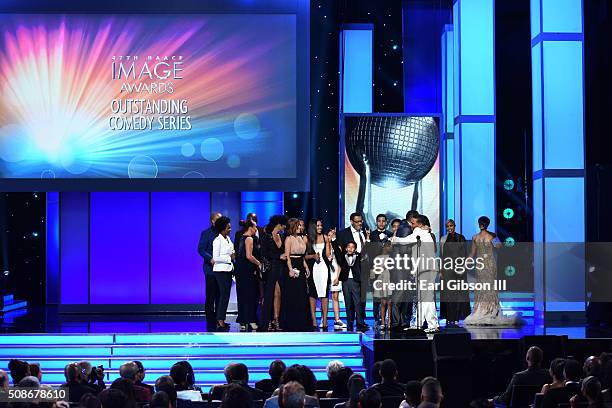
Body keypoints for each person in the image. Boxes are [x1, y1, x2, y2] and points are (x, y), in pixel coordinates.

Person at [464, 216, 523, 326]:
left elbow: (499, 246)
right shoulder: (475, 237)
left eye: (483, 223)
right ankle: (482, 310)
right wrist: (466, 262)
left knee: (490, 287)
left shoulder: (492, 235)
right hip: (481, 265)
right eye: (480, 222)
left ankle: (492, 310)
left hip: (490, 264)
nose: (481, 224)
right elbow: (472, 253)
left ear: (486, 224)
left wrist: (494, 239)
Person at [393, 215, 439, 333]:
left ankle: (431, 324)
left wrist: (394, 239)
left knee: (426, 297)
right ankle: (420, 323)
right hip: (425, 269)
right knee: (423, 297)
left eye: (413, 223)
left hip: (426, 269)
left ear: (419, 224)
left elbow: (404, 241)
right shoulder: (424, 233)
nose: (411, 226)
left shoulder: (419, 232)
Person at [336, 213, 370, 330]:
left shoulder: (365, 232)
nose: (360, 223)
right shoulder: (343, 234)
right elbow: (339, 253)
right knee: (350, 300)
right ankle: (351, 322)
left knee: (361, 299)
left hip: (363, 270)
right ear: (351, 222)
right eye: (357, 221)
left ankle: (361, 321)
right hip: (349, 272)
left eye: (361, 221)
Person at [280, 218, 312, 331]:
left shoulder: (301, 238)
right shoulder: (288, 239)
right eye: (298, 226)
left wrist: (306, 267)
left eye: (300, 226)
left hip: (300, 264)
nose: (300, 228)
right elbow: (287, 256)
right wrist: (290, 269)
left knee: (302, 294)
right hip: (292, 265)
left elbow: (302, 256)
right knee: (293, 294)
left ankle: (302, 322)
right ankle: (291, 322)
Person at [438, 219, 470, 326]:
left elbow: (465, 254)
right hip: (447, 269)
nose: (449, 228)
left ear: (454, 226)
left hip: (459, 268)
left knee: (459, 293)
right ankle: (449, 317)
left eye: (451, 226)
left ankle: (457, 317)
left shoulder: (461, 237)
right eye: (447, 226)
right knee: (448, 294)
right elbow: (441, 256)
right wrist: (441, 270)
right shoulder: (443, 239)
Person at [260, 215, 288, 331]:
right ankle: (267, 321)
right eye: (283, 224)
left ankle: (276, 319)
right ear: (279, 224)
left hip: (281, 268)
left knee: (278, 293)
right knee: (269, 295)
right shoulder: (266, 237)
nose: (285, 227)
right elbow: (264, 253)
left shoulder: (281, 236)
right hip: (271, 268)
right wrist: (278, 256)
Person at [331, 238, 366, 332]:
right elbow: (337, 251)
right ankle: (350, 322)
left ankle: (359, 322)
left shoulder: (358, 256)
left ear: (355, 249)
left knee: (357, 302)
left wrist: (367, 240)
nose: (350, 249)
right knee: (348, 302)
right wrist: (334, 240)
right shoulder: (342, 256)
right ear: (346, 248)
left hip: (356, 281)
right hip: (346, 281)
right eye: (349, 247)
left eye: (352, 247)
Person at [235, 219, 263, 332]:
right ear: (250, 227)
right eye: (255, 227)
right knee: (251, 295)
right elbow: (249, 256)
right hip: (247, 270)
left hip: (241, 270)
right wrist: (259, 263)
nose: (256, 229)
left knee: (243, 295)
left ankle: (243, 320)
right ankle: (250, 320)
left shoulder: (242, 237)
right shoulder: (249, 238)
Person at [306, 219, 332, 329]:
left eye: (321, 225)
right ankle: (313, 320)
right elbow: (304, 256)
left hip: (324, 268)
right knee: (313, 294)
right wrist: (313, 256)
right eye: (318, 225)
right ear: (313, 227)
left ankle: (325, 320)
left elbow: (327, 254)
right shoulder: (308, 239)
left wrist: (329, 244)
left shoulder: (325, 237)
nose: (320, 227)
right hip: (313, 269)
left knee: (324, 294)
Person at [198, 212, 222, 329]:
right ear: (212, 221)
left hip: (222, 269)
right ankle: (210, 321)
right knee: (211, 295)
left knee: (220, 295)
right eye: (218, 219)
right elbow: (201, 249)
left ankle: (219, 319)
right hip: (210, 269)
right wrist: (210, 258)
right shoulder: (206, 233)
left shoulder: (223, 233)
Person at [212, 216, 235, 331]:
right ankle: (220, 319)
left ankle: (222, 318)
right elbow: (215, 258)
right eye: (228, 227)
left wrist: (232, 255)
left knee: (226, 296)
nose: (230, 229)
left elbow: (231, 251)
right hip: (220, 270)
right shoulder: (217, 240)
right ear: (222, 228)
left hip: (228, 270)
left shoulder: (228, 239)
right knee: (224, 295)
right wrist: (229, 258)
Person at [371, 242, 393, 330]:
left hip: (390, 280)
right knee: (383, 302)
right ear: (384, 247)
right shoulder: (378, 258)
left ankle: (389, 322)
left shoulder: (392, 257)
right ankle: (383, 322)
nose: (390, 248)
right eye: (388, 246)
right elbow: (373, 272)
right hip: (382, 280)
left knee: (390, 303)